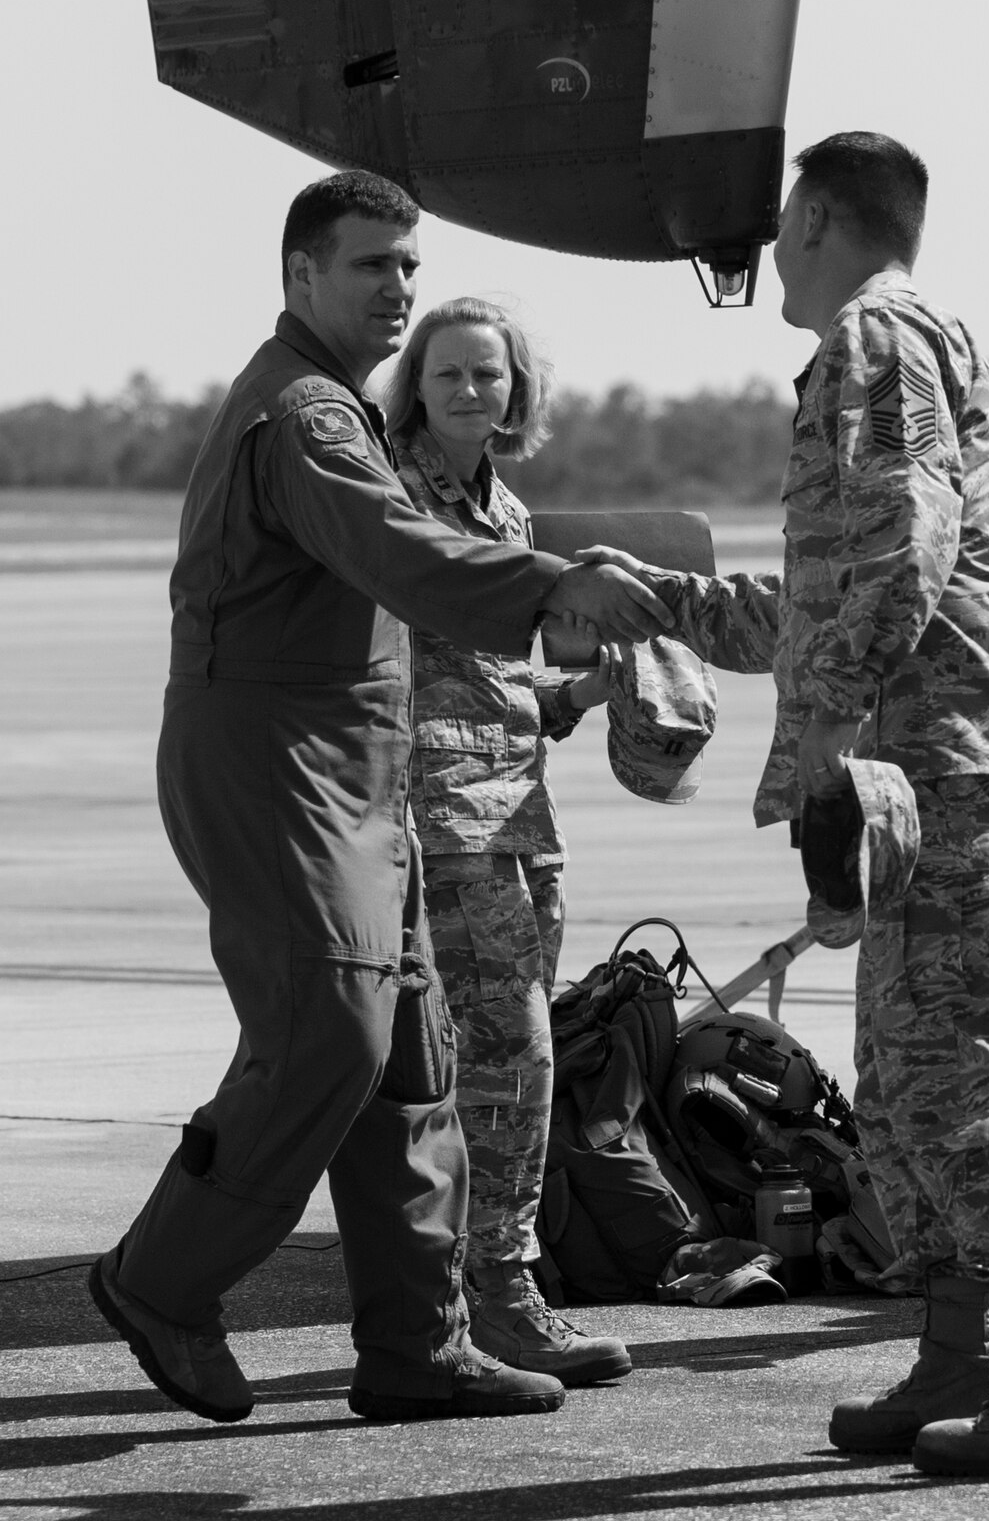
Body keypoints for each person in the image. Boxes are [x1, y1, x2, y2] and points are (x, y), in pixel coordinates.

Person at [581, 132, 989, 1478]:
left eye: (785, 223)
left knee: (959, 1076)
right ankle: (962, 1350)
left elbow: (904, 549)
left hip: (947, 766)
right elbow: (844, 593)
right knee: (901, 1088)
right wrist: (665, 605)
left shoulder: (876, 338)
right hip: (934, 765)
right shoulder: (902, 341)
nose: (772, 248)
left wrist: (824, 724)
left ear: (824, 215)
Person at [88, 172, 671, 1427]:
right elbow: (403, 556)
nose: (398, 287)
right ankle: (161, 1277)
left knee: (412, 1055)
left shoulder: (337, 404)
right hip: (275, 764)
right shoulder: (305, 415)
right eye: (371, 266)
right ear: (302, 276)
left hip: (357, 772)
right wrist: (550, 583)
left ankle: (419, 1343)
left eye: (409, 264)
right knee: (332, 1032)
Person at [384, 297, 631, 1387]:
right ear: (415, 384)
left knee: (498, 1060)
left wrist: (580, 686)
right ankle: (501, 1288)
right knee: (511, 1057)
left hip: (519, 811)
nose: (470, 390)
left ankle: (461, 1288)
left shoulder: (508, 509)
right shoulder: (389, 490)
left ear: (514, 390)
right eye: (448, 374)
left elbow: (497, 675)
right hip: (444, 813)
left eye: (489, 375)